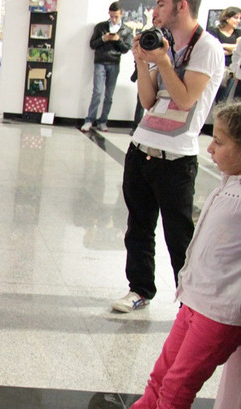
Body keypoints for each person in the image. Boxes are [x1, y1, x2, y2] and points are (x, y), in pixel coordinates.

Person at [77, 101, 241, 409]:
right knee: (162, 375)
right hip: (196, 301)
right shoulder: (229, 183)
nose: (210, 148)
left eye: (220, 142)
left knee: (179, 386)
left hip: (222, 311)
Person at [111, 0, 222, 314]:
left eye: (161, 3)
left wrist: (162, 62)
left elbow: (186, 99)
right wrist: (144, 62)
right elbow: (148, 101)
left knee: (179, 234)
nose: (155, 10)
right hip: (141, 149)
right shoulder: (166, 46)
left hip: (176, 158)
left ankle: (190, 303)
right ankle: (140, 289)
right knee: (139, 228)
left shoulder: (207, 47)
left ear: (182, 6)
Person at [80, 2, 134, 133]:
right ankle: (89, 120)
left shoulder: (126, 30)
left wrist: (118, 40)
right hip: (100, 62)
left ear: (121, 14)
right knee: (97, 92)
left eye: (116, 16)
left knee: (109, 95)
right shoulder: (101, 27)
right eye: (111, 16)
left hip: (114, 63)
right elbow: (92, 44)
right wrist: (104, 38)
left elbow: (126, 49)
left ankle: (103, 121)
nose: (113, 19)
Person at [207, 7, 241, 102]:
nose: (238, 21)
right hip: (214, 69)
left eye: (239, 18)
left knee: (222, 100)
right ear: (227, 18)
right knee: (209, 98)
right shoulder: (214, 31)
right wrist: (230, 49)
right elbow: (212, 48)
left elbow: (238, 48)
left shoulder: (238, 33)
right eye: (235, 17)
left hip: (229, 71)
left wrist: (222, 45)